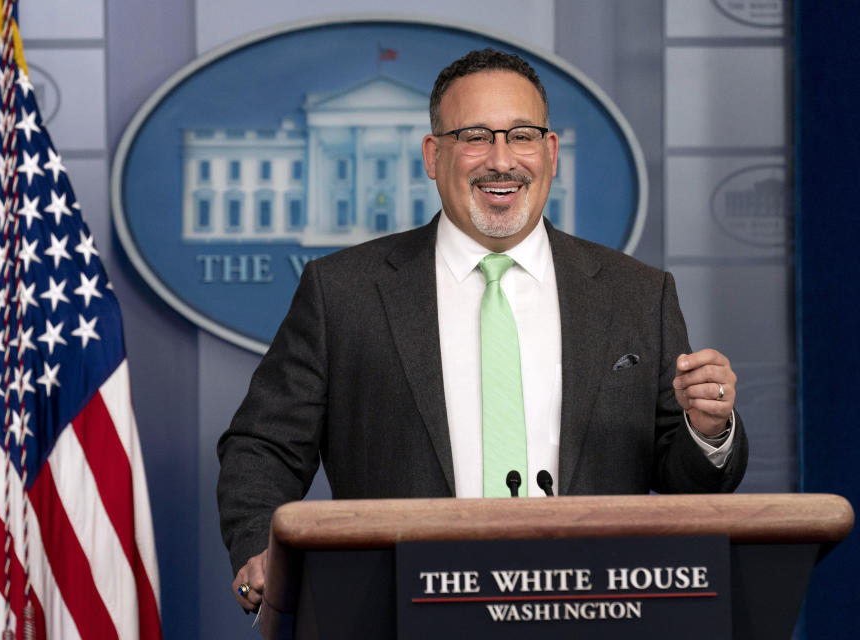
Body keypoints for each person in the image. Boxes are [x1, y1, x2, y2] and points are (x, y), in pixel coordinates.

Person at [217, 48, 748, 613]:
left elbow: (688, 484)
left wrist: (707, 430)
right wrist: (258, 548)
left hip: (593, 610)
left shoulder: (638, 294)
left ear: (550, 152)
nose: (502, 160)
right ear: (432, 154)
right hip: (396, 609)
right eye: (475, 136)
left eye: (521, 135)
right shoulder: (342, 291)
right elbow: (264, 446)